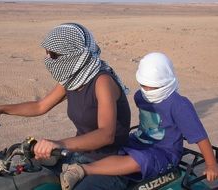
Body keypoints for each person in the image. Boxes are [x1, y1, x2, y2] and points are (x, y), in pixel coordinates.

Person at [0, 23, 131, 190]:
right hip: (79, 156)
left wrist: (59, 144)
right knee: (30, 176)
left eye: (52, 55)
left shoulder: (102, 82)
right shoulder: (73, 79)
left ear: (72, 56)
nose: (48, 59)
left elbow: (106, 135)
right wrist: (0, 109)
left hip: (110, 163)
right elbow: (40, 106)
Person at [59, 52, 218, 190]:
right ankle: (78, 169)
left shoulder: (179, 105)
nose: (148, 91)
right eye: (144, 86)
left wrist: (211, 165)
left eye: (154, 87)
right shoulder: (140, 96)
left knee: (138, 161)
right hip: (139, 140)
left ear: (166, 80)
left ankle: (84, 169)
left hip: (164, 151)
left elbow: (199, 136)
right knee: (114, 150)